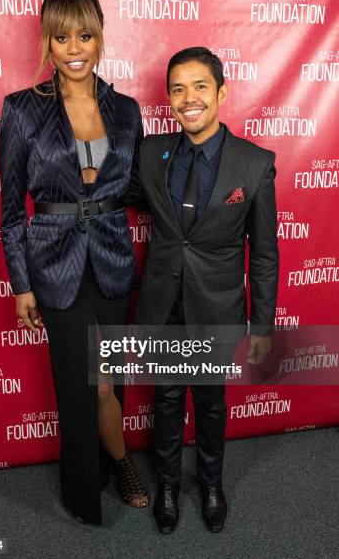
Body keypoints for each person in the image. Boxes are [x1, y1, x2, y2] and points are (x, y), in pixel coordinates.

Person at [0, 0, 148, 526]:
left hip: (111, 262)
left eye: (85, 35)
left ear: (101, 35)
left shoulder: (125, 110)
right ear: (47, 41)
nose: (74, 48)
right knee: (79, 387)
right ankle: (85, 492)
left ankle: (120, 460)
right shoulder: (22, 110)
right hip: (55, 265)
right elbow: (11, 210)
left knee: (109, 381)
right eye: (62, 37)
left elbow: (137, 189)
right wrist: (21, 284)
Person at [125, 47, 278, 533]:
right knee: (167, 398)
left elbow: (266, 253)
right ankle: (168, 485)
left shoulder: (254, 165)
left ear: (221, 93)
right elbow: (112, 194)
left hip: (217, 307)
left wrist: (263, 323)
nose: (187, 98)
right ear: (168, 97)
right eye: (176, 88)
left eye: (199, 87)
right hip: (164, 304)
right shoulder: (151, 152)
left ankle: (211, 483)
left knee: (211, 403)